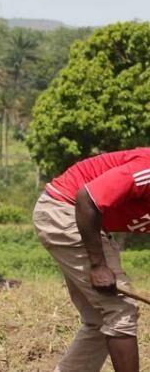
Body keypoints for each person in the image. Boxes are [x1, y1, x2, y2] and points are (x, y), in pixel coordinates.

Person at [33, 148, 150, 372]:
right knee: (120, 309)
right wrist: (98, 265)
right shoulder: (147, 169)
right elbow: (86, 199)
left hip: (79, 217)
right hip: (65, 209)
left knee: (98, 319)